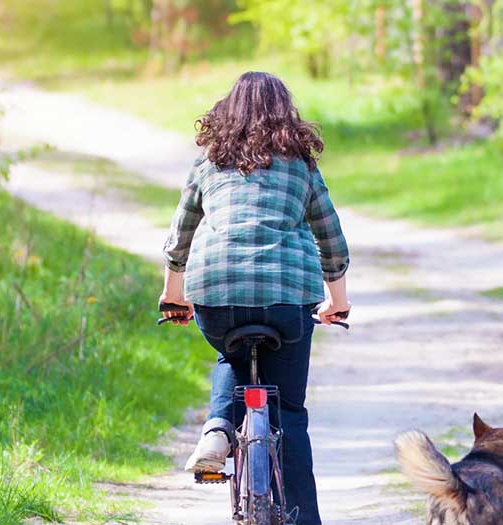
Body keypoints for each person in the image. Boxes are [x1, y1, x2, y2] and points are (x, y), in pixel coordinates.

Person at [158, 71, 351, 525]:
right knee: (288, 412)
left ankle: (217, 429)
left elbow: (181, 232)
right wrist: (336, 300)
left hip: (216, 294)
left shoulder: (209, 161)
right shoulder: (301, 165)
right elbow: (331, 237)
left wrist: (173, 295)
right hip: (288, 299)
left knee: (231, 356)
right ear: (287, 114)